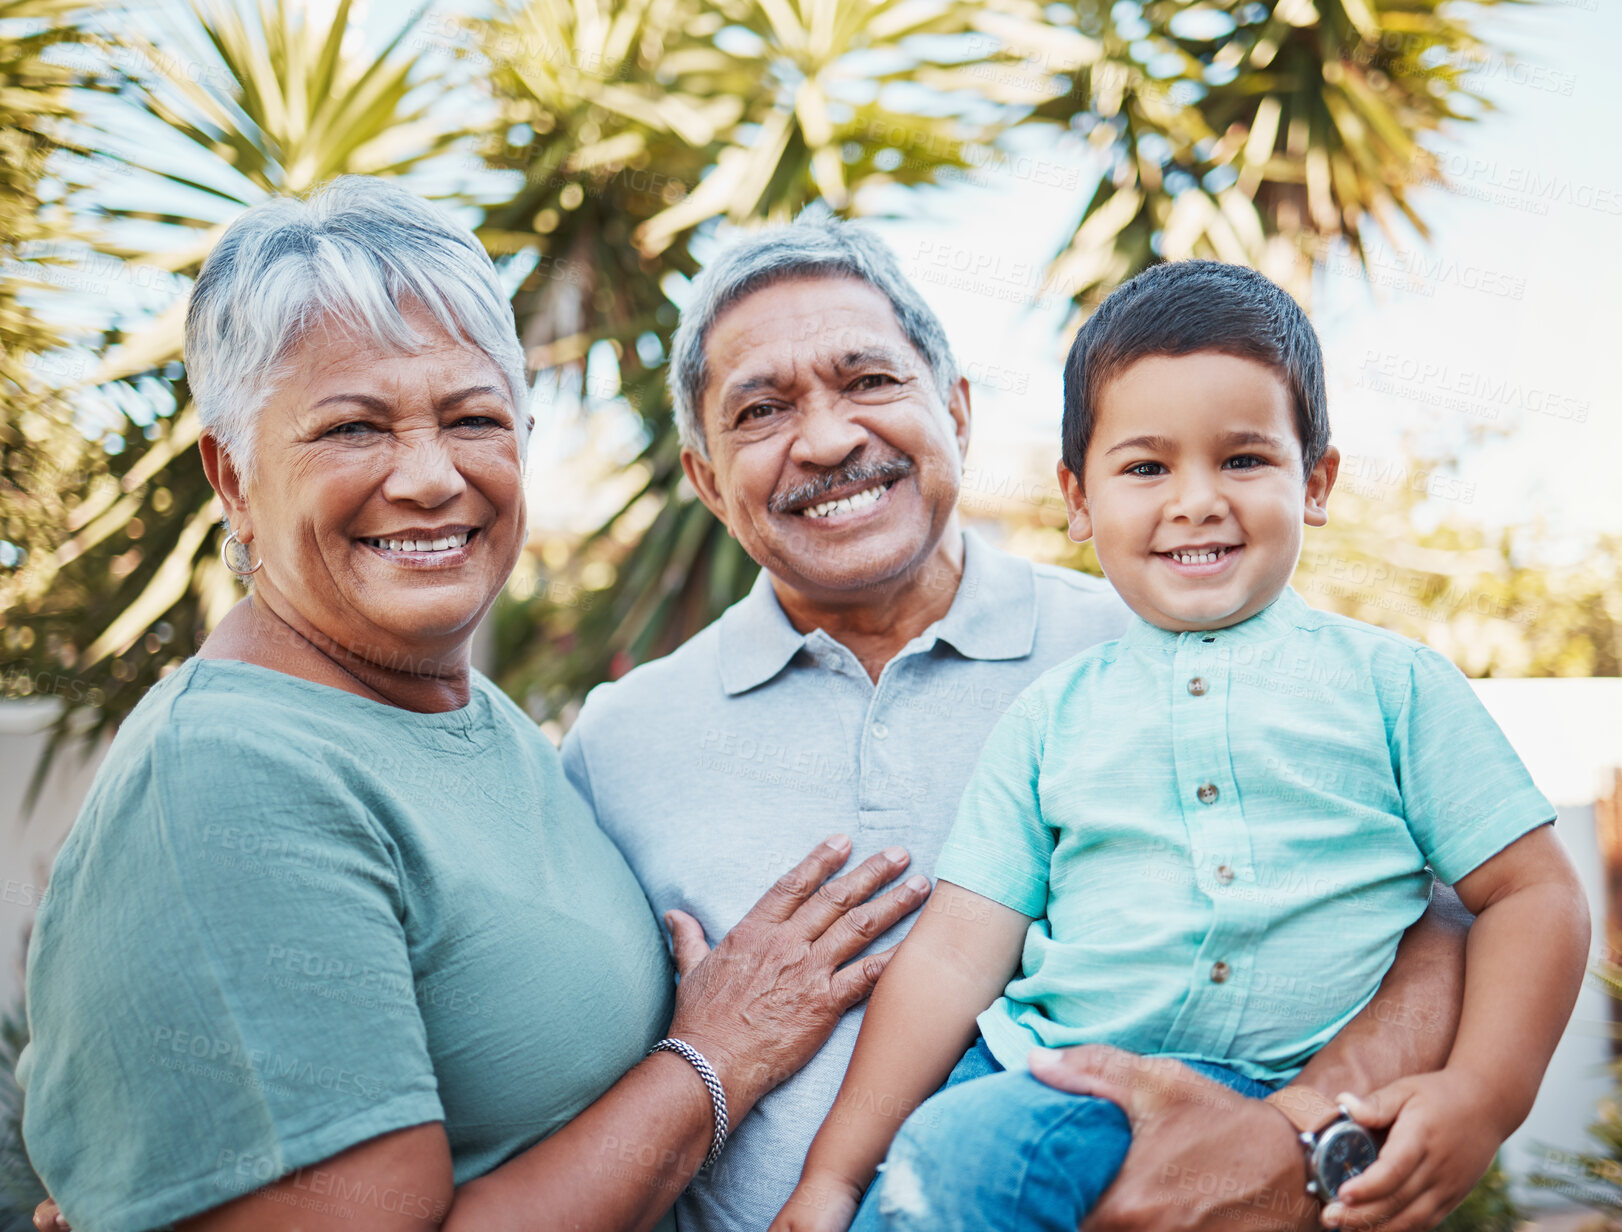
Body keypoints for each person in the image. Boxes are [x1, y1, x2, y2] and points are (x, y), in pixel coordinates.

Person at [19, 176, 930, 1232]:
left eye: (472, 417)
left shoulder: (472, 716)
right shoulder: (225, 776)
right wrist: (715, 1055)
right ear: (232, 475)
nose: (428, 475)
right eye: (352, 428)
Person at [562, 219, 1480, 1232]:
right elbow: (554, 1073)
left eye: (867, 381)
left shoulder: (1159, 644)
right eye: (761, 408)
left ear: (954, 408)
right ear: (705, 478)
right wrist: (715, 1052)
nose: (824, 439)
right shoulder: (615, 742)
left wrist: (1297, 1140)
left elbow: (1436, 918)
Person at [778, 260, 1591, 1232]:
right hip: (1059, 1086)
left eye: (1243, 459)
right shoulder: (1050, 716)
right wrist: (832, 1174)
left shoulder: (1394, 685)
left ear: (1316, 480)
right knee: (952, 1163)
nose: (1195, 499)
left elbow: (1531, 891)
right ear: (1077, 499)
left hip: (1293, 1103)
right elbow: (953, 954)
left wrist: (1481, 1094)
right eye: (1146, 466)